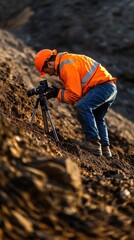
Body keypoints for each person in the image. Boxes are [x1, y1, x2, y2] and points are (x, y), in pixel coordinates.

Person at [34, 49, 117, 158]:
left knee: (82, 106)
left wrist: (57, 94)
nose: (49, 74)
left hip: (103, 87)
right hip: (110, 87)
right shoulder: (67, 61)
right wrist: (58, 92)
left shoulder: (66, 65)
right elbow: (76, 89)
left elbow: (74, 94)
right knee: (98, 118)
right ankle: (105, 149)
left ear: (49, 64)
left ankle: (92, 143)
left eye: (46, 71)